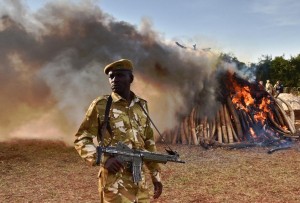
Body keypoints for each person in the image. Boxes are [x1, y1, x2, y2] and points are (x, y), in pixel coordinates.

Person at [74, 59, 163, 202]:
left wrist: (155, 175)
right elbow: (81, 138)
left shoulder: (141, 106)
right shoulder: (101, 105)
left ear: (131, 78)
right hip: (114, 184)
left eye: (120, 75)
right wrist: (103, 160)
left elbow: (148, 143)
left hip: (140, 183)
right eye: (111, 76)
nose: (114, 80)